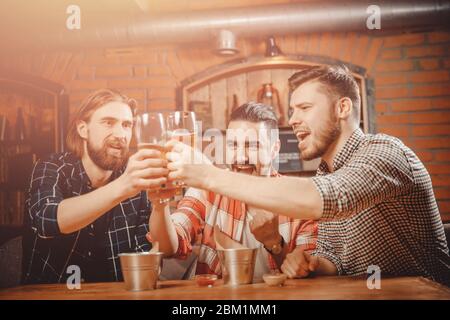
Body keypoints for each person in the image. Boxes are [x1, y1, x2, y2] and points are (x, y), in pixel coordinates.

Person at [165, 65, 450, 286]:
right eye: (291, 110)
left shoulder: (384, 152)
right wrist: (306, 263)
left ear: (342, 108)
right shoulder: (327, 173)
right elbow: (333, 264)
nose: (292, 120)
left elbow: (328, 197)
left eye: (304, 108)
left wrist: (207, 175)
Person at [149, 102, 320, 281]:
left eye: (252, 146)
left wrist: (274, 243)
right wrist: (159, 206)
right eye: (233, 145)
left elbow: (308, 272)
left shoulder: (299, 200)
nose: (240, 156)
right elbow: (168, 248)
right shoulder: (206, 190)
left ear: (274, 149)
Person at [22, 89, 167, 284]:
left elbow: (150, 252)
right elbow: (46, 220)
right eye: (108, 123)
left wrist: (161, 203)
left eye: (126, 125)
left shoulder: (134, 180)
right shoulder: (51, 167)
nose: (120, 134)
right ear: (83, 129)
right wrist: (124, 185)